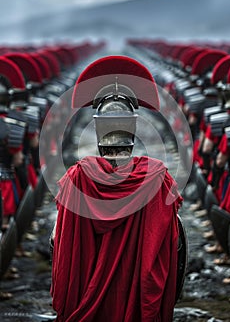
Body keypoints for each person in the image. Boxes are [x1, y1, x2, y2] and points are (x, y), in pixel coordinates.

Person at [50, 55, 184, 322]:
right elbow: (172, 245)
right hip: (133, 300)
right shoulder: (157, 178)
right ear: (133, 130)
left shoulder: (78, 178)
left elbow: (58, 242)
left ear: (98, 131)